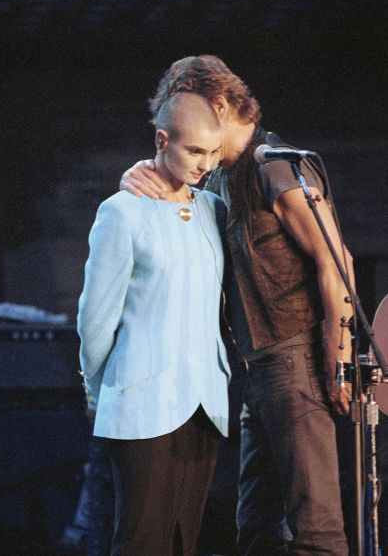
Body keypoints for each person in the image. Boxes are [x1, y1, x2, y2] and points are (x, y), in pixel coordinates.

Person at [120, 55, 355, 555]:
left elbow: (335, 261)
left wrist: (340, 358)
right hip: (258, 369)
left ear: (221, 105)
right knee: (256, 526)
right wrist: (140, 176)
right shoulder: (223, 177)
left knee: (315, 529)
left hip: (298, 361)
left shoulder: (275, 166)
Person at [77, 91, 232, 556]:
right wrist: (96, 391)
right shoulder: (121, 212)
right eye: (193, 150)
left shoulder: (214, 210)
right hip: (142, 397)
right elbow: (96, 316)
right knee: (142, 538)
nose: (204, 163)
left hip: (205, 400)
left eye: (212, 152)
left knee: (187, 536)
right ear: (162, 141)